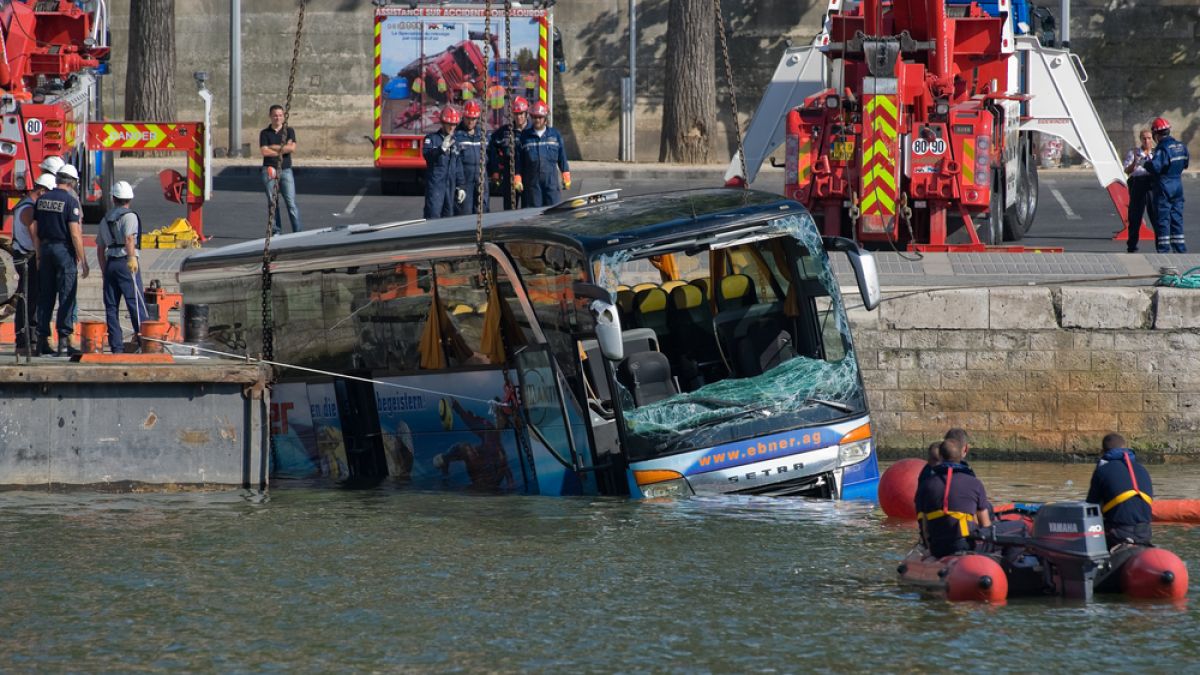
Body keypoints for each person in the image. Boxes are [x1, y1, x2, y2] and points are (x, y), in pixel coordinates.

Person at [32, 164, 88, 356]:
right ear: (72, 183)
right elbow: (75, 234)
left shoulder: (42, 200)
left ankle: (41, 342)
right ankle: (64, 342)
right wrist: (83, 260)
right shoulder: (70, 202)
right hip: (63, 251)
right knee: (66, 295)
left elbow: (36, 231)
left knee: (45, 296)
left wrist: (39, 255)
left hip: (45, 250)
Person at [915, 437, 992, 558]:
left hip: (937, 548)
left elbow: (923, 523)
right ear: (962, 454)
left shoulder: (925, 485)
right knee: (1020, 528)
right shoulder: (975, 483)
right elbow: (986, 526)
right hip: (965, 545)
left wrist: (929, 548)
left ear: (941, 456)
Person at [95, 180, 148, 353]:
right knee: (135, 304)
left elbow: (100, 248)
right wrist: (132, 258)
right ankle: (144, 342)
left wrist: (104, 271)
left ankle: (116, 347)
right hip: (126, 262)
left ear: (113, 198)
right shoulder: (130, 216)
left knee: (111, 307)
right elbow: (129, 239)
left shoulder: (105, 219)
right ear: (129, 199)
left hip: (111, 263)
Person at [9, 173, 57, 352]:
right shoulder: (28, 208)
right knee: (29, 299)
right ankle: (24, 341)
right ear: (42, 190)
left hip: (24, 255)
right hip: (27, 258)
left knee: (29, 299)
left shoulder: (24, 204)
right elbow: (35, 235)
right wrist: (39, 257)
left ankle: (28, 340)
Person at [1086, 433, 1153, 549]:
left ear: (1103, 452)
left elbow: (1091, 508)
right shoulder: (1142, 469)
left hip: (1118, 534)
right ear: (1125, 448)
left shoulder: (1102, 471)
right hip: (1145, 533)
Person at [1144, 117, 1189, 253]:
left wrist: (1145, 164)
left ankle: (1163, 249)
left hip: (1164, 186)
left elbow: (1155, 167)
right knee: (1177, 217)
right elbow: (1185, 164)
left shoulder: (1162, 149)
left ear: (1156, 135)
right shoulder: (1181, 146)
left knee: (1163, 218)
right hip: (1177, 185)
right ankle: (1180, 249)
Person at [517, 100, 571, 208]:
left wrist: (565, 174)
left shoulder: (555, 135)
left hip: (551, 184)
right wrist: (517, 177)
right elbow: (519, 160)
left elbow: (562, 157)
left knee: (553, 213)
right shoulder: (525, 137)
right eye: (535, 117)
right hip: (532, 185)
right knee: (534, 215)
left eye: (540, 117)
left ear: (545, 118)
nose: (537, 120)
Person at [259, 104, 302, 234]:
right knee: (273, 204)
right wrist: (283, 148)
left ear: (283, 116)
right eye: (275, 115)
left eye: (280, 115)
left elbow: (292, 148)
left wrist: (273, 146)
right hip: (269, 170)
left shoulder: (289, 131)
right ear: (270, 116)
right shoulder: (264, 133)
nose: (278, 118)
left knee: (291, 203)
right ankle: (276, 231)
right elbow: (264, 151)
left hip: (286, 170)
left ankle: (298, 231)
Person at [487, 96, 530, 211]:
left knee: (530, 209)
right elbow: (491, 147)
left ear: (526, 113)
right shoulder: (504, 132)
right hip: (509, 174)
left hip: (529, 175)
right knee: (509, 210)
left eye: (521, 114)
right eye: (516, 114)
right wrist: (495, 170)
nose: (519, 117)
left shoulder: (533, 131)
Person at [422, 106, 465, 220]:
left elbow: (458, 166)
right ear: (442, 122)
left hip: (450, 188)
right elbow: (427, 156)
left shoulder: (455, 142)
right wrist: (441, 149)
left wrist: (460, 186)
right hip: (436, 187)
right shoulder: (431, 139)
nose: (452, 127)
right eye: (449, 124)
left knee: (449, 218)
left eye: (454, 124)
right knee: (433, 216)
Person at [1123, 129, 1159, 253]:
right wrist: (1135, 162)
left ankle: (1161, 246)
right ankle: (1132, 246)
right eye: (1144, 138)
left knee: (1156, 215)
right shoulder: (1134, 152)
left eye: (1149, 138)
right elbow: (1127, 171)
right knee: (1135, 215)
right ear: (1140, 139)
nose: (1147, 141)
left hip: (1152, 184)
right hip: (1138, 183)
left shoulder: (1157, 152)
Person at [454, 100, 488, 216]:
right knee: (465, 212)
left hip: (481, 178)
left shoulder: (482, 135)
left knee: (483, 210)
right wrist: (460, 184)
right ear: (463, 117)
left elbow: (490, 154)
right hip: (465, 179)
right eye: (468, 118)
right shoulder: (457, 136)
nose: (470, 121)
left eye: (473, 119)